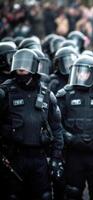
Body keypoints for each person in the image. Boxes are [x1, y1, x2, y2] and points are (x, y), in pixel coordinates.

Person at [0, 48, 64, 199]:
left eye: (24, 69)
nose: (21, 73)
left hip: (39, 158)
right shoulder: (5, 92)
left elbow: (56, 128)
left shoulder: (47, 95)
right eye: (19, 69)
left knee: (44, 196)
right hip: (14, 157)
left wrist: (56, 158)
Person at [56, 55, 93, 200]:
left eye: (85, 72)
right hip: (73, 154)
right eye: (79, 72)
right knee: (72, 192)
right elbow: (56, 124)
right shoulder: (65, 94)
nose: (81, 75)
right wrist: (70, 139)